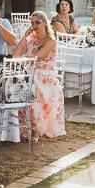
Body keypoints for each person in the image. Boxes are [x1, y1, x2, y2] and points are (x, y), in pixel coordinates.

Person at [12, 11, 65, 141]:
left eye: (37, 22)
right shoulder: (31, 39)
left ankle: (35, 130)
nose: (35, 25)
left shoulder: (51, 40)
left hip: (46, 73)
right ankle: (22, 127)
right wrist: (25, 36)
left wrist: (26, 59)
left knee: (32, 83)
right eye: (32, 23)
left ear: (44, 23)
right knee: (21, 81)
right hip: (31, 72)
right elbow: (15, 56)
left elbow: (39, 55)